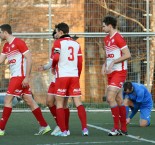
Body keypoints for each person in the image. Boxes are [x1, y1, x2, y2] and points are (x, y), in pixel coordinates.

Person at [0, 24, 51, 136]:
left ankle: (1, 129)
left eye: (0, 32)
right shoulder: (6, 46)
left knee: (7, 100)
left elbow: (29, 58)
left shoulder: (19, 42)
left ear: (5, 32)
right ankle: (44, 125)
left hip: (19, 77)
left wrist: (27, 77)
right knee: (29, 100)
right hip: (17, 77)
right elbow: (0, 60)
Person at [51, 22, 88, 137]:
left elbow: (56, 57)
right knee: (78, 102)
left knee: (60, 103)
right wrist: (78, 75)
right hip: (74, 76)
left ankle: (64, 131)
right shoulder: (76, 44)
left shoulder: (58, 42)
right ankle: (85, 129)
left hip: (62, 76)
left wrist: (53, 67)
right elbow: (80, 62)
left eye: (56, 31)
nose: (56, 34)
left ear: (61, 32)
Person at [101, 15, 131, 136]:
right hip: (111, 72)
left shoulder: (118, 38)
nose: (102, 28)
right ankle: (123, 128)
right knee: (118, 99)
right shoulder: (106, 39)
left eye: (103, 26)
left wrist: (113, 62)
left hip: (119, 71)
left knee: (109, 98)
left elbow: (127, 54)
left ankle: (116, 128)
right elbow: (109, 56)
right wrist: (104, 65)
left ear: (110, 26)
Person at [38, 28, 70, 136]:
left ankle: (65, 128)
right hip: (54, 79)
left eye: (56, 33)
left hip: (63, 78)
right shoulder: (55, 46)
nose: (55, 36)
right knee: (49, 102)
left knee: (63, 104)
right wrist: (45, 67)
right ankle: (60, 125)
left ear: (61, 33)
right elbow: (52, 61)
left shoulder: (67, 45)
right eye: (54, 35)